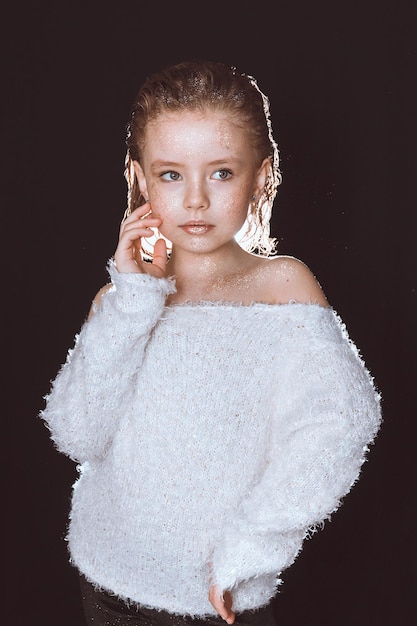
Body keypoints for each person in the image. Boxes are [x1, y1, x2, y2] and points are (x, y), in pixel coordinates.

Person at [40, 60, 382, 626]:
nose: (195, 199)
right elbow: (77, 432)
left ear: (261, 176)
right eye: (171, 174)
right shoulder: (123, 300)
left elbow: (341, 421)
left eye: (221, 172)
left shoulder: (282, 288)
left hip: (218, 597)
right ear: (140, 179)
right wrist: (132, 300)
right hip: (106, 584)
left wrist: (251, 550)